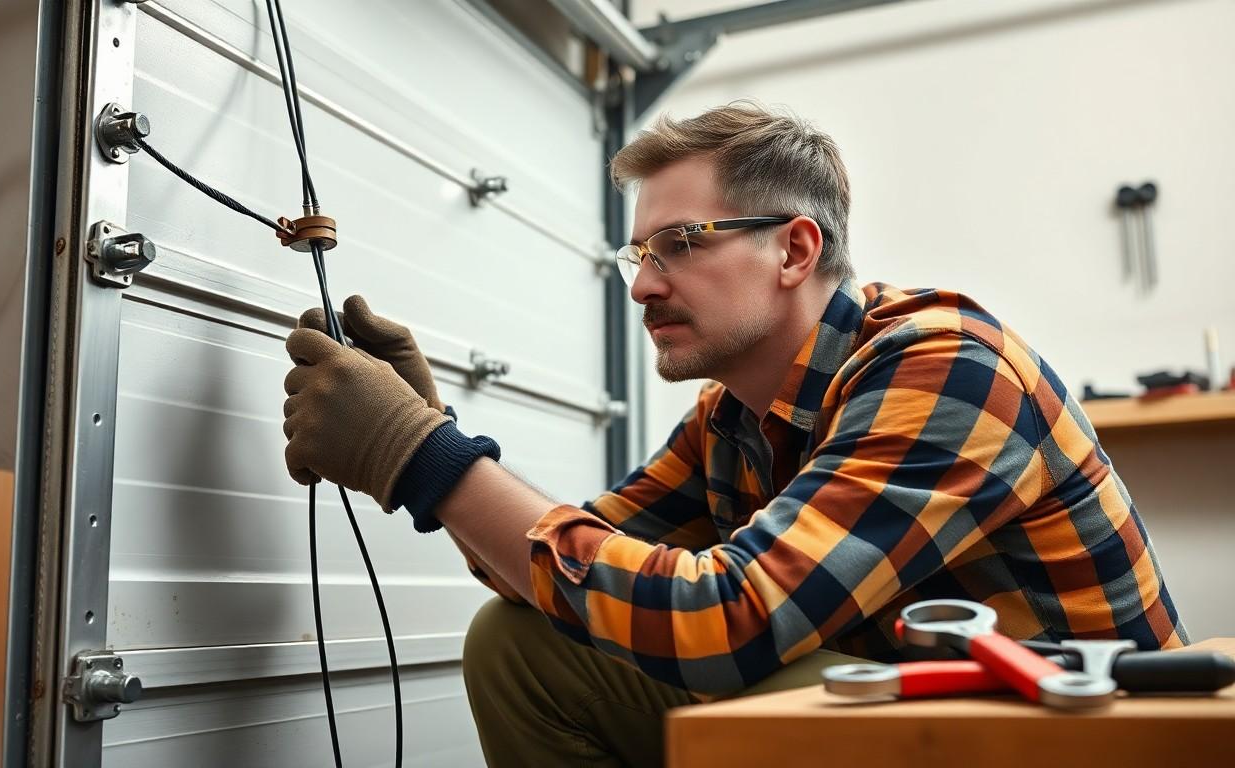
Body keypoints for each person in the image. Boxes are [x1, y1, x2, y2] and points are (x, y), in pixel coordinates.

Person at [281, 102, 1186, 767]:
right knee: (522, 646)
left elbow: (726, 620)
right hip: (943, 728)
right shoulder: (734, 417)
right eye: (641, 255)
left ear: (794, 251)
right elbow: (552, 579)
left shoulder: (949, 366)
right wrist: (432, 435)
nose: (642, 286)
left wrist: (425, 459)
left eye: (681, 243)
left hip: (1088, 743)